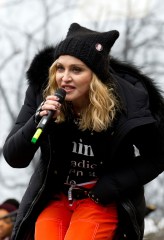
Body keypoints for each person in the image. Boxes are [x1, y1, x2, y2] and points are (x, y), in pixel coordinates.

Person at [2, 22, 164, 240]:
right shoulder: (42, 95)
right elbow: (15, 157)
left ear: (95, 77)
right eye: (60, 68)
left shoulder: (127, 106)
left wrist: (108, 188)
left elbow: (157, 156)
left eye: (76, 70)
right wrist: (37, 120)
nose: (65, 78)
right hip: (57, 196)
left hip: (100, 198)